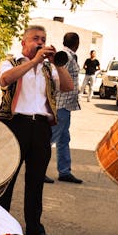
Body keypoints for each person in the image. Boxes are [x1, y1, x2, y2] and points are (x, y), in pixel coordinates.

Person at [0, 25, 74, 235]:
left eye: (43, 39)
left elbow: (68, 87)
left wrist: (58, 64)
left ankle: (34, 228)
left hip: (40, 126)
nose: (40, 43)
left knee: (36, 180)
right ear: (23, 42)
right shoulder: (11, 62)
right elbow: (5, 80)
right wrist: (33, 62)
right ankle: (2, 229)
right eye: (35, 39)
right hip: (15, 124)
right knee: (6, 179)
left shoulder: (49, 68)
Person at [50, 32, 83, 184]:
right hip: (61, 104)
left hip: (66, 105)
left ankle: (64, 171)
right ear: (77, 43)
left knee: (63, 138)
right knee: (50, 139)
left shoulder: (69, 55)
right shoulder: (65, 55)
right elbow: (54, 75)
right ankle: (38, 170)